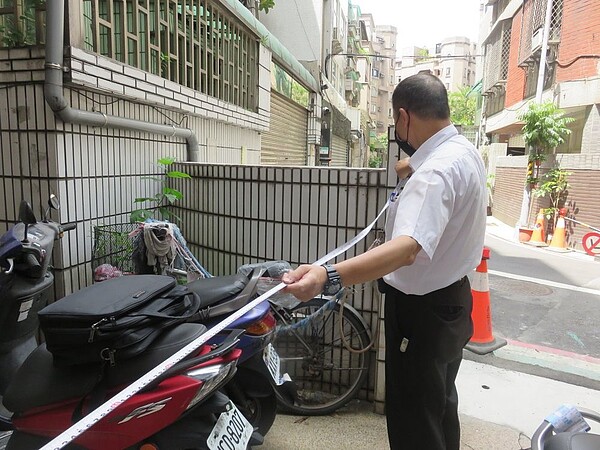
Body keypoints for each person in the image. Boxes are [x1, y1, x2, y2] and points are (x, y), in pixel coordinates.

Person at [282, 73, 487, 450]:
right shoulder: (463, 153)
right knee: (440, 406)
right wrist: (412, 168)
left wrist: (327, 275)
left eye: (396, 122)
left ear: (405, 117)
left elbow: (406, 249)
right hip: (453, 304)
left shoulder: (434, 174)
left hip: (420, 314)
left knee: (414, 420)